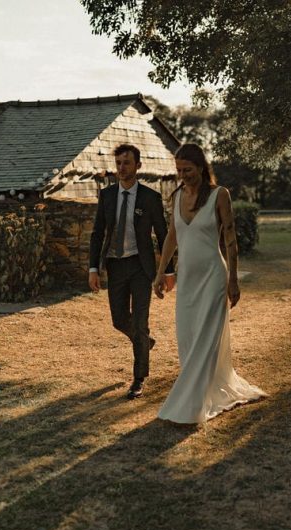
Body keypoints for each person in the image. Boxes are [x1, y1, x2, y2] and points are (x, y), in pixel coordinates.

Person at [152, 143, 267, 424]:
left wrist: (233, 280)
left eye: (188, 170)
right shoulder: (176, 196)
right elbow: (171, 237)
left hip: (214, 277)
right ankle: (202, 389)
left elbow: (230, 239)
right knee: (188, 337)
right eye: (179, 170)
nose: (183, 175)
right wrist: (159, 273)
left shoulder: (220, 195)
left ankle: (192, 403)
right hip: (187, 279)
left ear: (201, 167)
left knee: (206, 338)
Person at [89, 144, 175, 399]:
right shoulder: (107, 196)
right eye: (118, 163)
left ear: (138, 165)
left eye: (127, 163)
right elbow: (97, 234)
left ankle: (139, 378)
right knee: (119, 320)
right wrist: (94, 268)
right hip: (115, 266)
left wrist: (167, 271)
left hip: (140, 266)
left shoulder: (150, 197)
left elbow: (162, 235)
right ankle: (144, 342)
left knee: (139, 322)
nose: (122, 168)